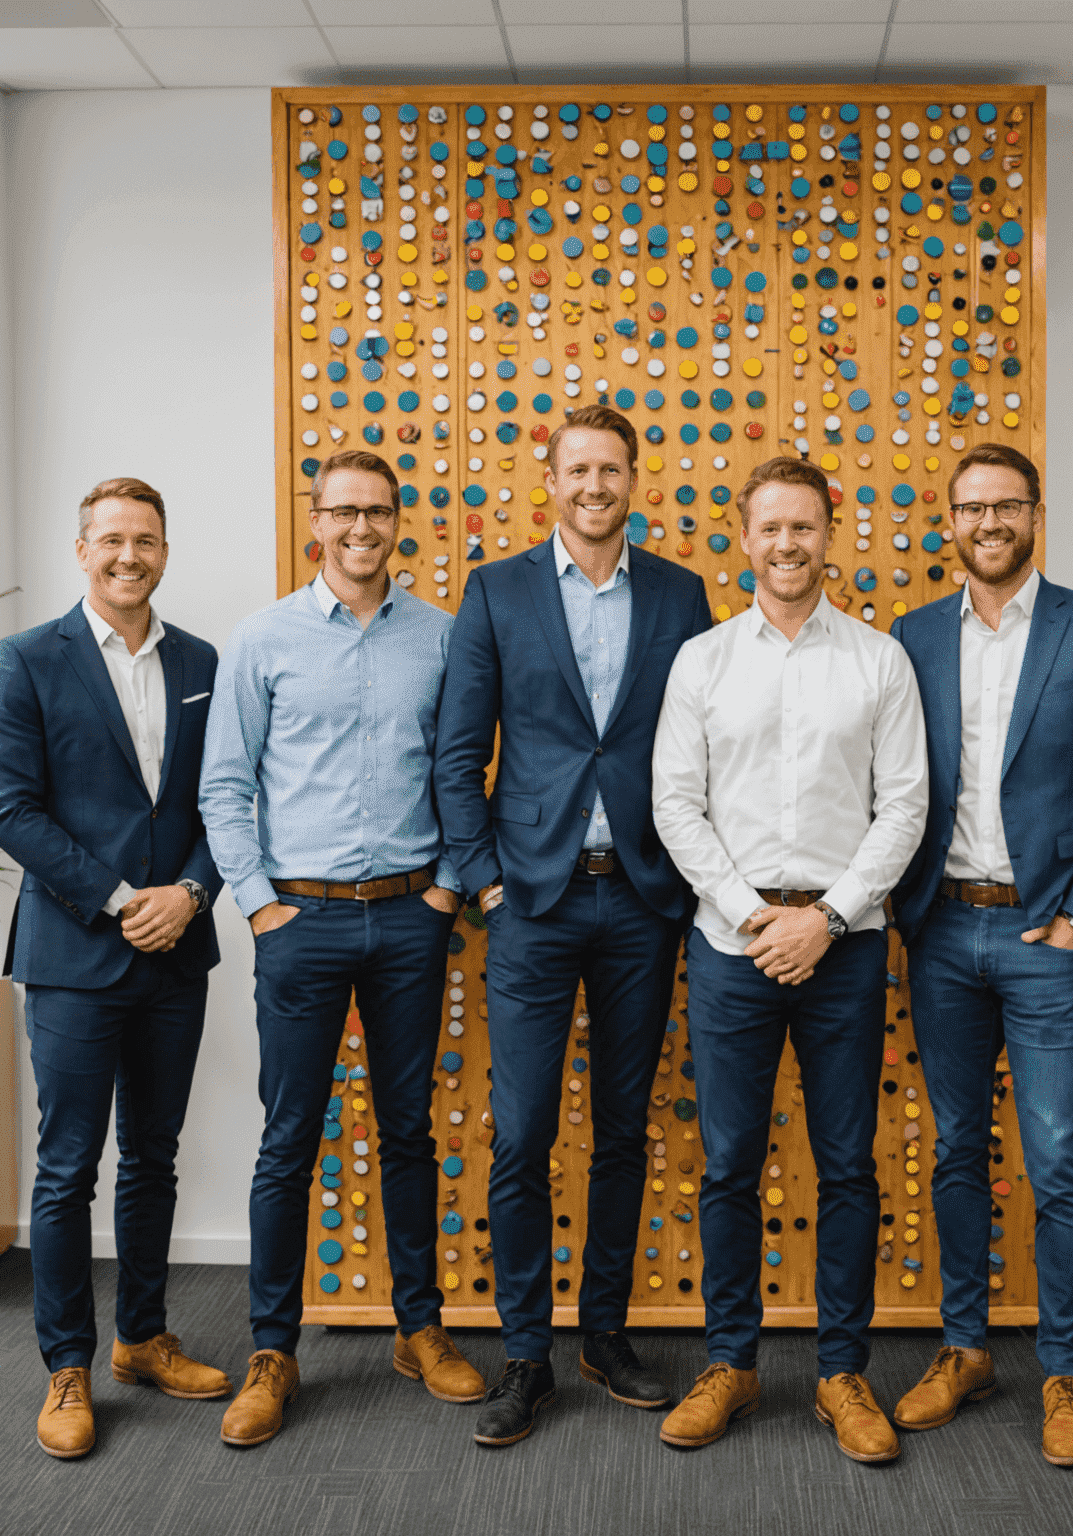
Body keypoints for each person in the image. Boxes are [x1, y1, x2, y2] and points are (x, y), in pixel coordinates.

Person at [435, 404, 712, 1447]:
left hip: (643, 898)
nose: (594, 484)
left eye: (611, 469)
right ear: (548, 477)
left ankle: (605, 1334)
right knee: (521, 1135)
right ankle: (524, 1354)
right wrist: (489, 887)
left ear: (635, 480)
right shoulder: (498, 591)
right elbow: (459, 756)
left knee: (627, 1130)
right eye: (577, 468)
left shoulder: (682, 595)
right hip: (534, 905)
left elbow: (707, 745)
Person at [200, 449, 482, 1448]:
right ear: (316, 521)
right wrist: (262, 908)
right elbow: (224, 787)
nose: (361, 528)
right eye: (343, 512)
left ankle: (420, 1328)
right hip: (302, 922)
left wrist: (448, 888)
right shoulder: (264, 638)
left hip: (411, 918)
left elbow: (464, 770)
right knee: (290, 1140)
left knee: (408, 1131)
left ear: (399, 521)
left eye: (378, 511)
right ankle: (272, 1348)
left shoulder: (443, 639)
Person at [888, 443, 1073, 1468]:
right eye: (971, 507)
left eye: (1006, 505)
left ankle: (1066, 1371)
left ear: (1035, 513)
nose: (989, 522)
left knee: (1056, 1157)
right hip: (944, 929)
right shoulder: (911, 638)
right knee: (959, 1149)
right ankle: (965, 1349)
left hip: (1048, 935)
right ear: (948, 521)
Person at [651, 456, 927, 1463]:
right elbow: (675, 804)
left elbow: (904, 805)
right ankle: (730, 1363)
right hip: (732, 950)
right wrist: (749, 914)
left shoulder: (878, 661)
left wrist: (832, 914)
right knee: (727, 1166)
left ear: (829, 532)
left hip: (845, 950)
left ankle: (842, 1372)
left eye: (804, 528)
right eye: (771, 528)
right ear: (744, 533)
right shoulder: (702, 661)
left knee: (847, 1167)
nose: (788, 545)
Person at [0, 477, 229, 1460]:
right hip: (78, 954)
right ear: (81, 550)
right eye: (113, 540)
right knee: (65, 1168)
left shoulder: (204, 662)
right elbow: (12, 810)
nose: (130, 556)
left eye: (147, 540)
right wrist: (126, 898)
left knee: (155, 1157)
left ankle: (143, 1338)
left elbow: (226, 799)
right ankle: (68, 1369)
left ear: (166, 550)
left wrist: (192, 894)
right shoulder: (27, 661)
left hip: (180, 949)